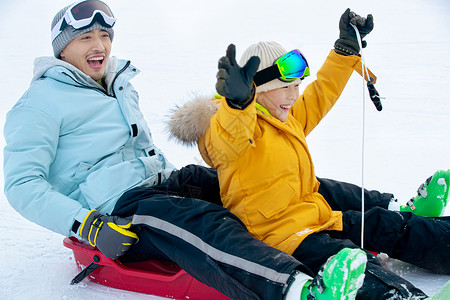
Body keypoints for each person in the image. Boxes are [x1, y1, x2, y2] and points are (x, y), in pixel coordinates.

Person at [2, 1, 372, 300]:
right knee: (205, 222)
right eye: (85, 38)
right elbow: (21, 184)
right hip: (116, 209)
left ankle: (380, 210)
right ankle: (296, 290)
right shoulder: (39, 104)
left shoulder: (117, 84)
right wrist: (86, 225)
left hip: (160, 182)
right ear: (62, 48)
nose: (99, 45)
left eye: (104, 35)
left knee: (264, 172)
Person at [167, 8, 450, 299]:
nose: (294, 95)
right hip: (281, 238)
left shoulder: (285, 117)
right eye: (285, 87)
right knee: (352, 261)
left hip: (316, 218)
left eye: (297, 85)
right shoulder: (233, 128)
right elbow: (225, 142)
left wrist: (344, 51)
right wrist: (237, 105)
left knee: (383, 223)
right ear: (257, 90)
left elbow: (321, 93)